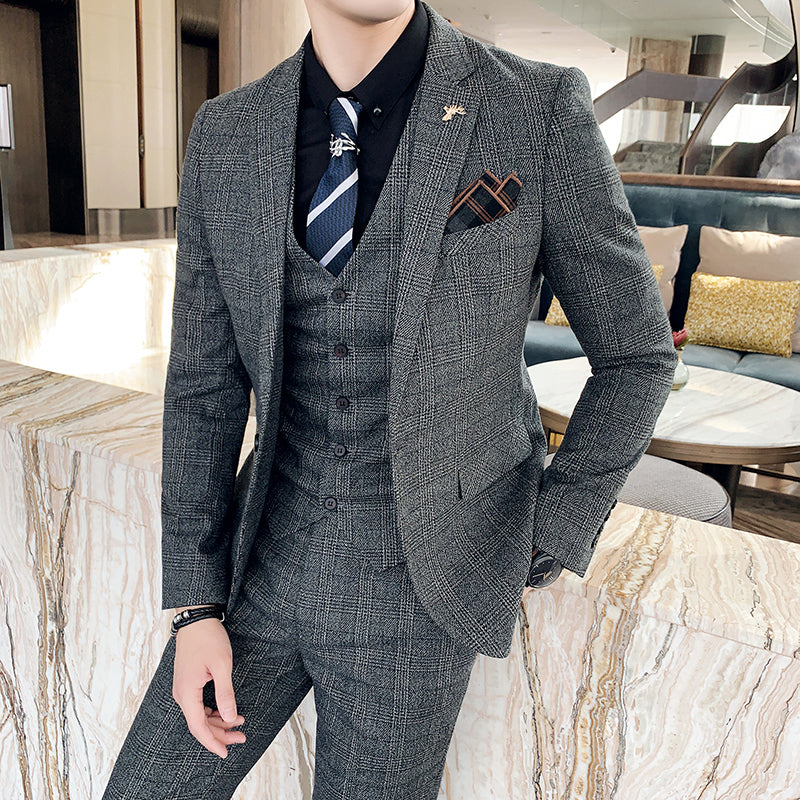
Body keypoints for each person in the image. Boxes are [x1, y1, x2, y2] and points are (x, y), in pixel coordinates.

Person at [101, 1, 677, 798]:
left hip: (423, 592)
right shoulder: (227, 134)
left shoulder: (534, 106)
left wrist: (545, 533)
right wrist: (194, 607)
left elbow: (637, 354)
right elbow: (203, 387)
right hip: (259, 565)